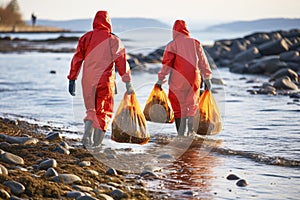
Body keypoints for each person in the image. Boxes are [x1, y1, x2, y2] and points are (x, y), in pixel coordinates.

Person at [67, 10, 134, 147]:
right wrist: (127, 82)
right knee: (104, 111)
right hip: (105, 81)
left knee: (90, 109)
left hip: (88, 81)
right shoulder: (114, 40)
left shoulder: (86, 38)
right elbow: (121, 62)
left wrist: (72, 78)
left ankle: (86, 136)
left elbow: (77, 59)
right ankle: (97, 145)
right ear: (109, 22)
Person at [156, 20, 212, 136]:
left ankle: (181, 135)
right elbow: (203, 62)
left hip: (178, 79)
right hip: (194, 78)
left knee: (178, 106)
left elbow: (167, 64)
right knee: (192, 104)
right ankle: (191, 134)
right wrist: (207, 78)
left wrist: (160, 80)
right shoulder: (195, 43)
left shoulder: (172, 44)